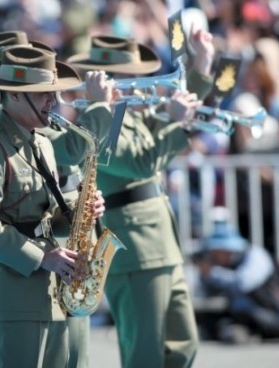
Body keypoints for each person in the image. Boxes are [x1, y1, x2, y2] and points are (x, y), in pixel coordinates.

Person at [66, 29, 215, 368]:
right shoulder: (96, 124)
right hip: (134, 245)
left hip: (161, 240)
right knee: (144, 354)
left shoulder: (132, 113)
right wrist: (178, 126)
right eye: (127, 76)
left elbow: (175, 112)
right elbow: (139, 163)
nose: (137, 83)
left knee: (183, 346)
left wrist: (201, 68)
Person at [0, 46, 105, 367]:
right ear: (12, 96)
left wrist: (81, 206)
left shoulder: (41, 141)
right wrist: (41, 257)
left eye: (52, 93)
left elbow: (44, 206)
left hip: (49, 291)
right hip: (11, 294)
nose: (52, 101)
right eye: (42, 94)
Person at [193, 208, 279, 344]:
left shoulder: (256, 256)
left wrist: (212, 273)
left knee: (246, 314)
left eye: (215, 253)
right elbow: (207, 294)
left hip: (269, 314)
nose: (213, 257)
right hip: (239, 314)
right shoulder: (223, 265)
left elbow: (242, 283)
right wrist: (204, 276)